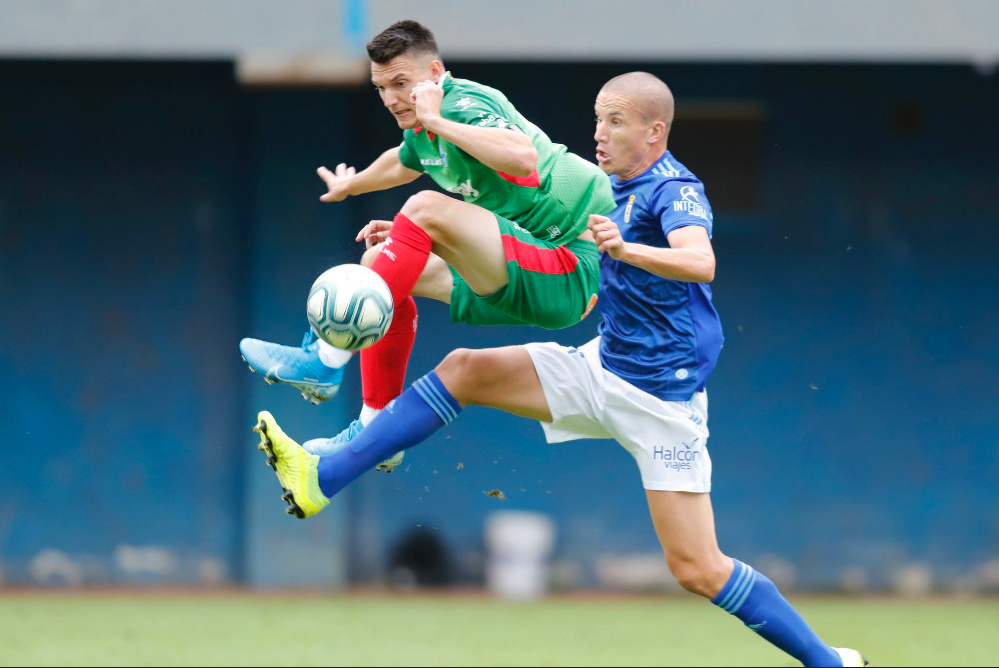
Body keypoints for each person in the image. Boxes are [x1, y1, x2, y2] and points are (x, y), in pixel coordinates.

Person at [253, 71, 867, 668]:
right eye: (597, 117)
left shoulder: (673, 189)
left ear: (655, 132)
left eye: (616, 121)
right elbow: (507, 210)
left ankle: (826, 661)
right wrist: (423, 237)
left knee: (698, 569)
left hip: (662, 403)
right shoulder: (608, 186)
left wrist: (627, 250)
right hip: (599, 368)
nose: (599, 132)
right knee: (463, 368)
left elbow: (700, 261)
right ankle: (321, 478)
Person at [240, 20, 612, 471]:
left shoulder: (463, 103)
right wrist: (352, 184)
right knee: (380, 260)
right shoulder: (423, 128)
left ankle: (324, 358)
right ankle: (379, 428)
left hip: (566, 269)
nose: (392, 99)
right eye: (381, 88)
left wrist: (434, 124)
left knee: (424, 208)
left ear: (434, 72)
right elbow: (403, 160)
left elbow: (523, 159)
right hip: (525, 265)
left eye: (401, 83)